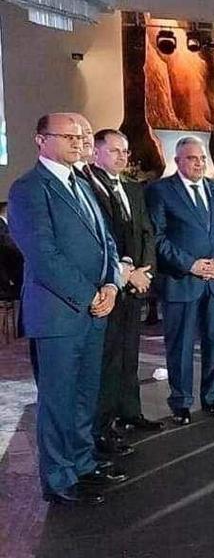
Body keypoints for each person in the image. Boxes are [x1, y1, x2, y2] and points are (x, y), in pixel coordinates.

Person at [8, 113, 126, 505]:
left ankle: (83, 464)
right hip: (58, 314)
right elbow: (43, 254)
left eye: (82, 136)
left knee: (84, 396)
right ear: (41, 140)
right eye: (69, 136)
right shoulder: (29, 189)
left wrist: (111, 284)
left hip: (94, 308)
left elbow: (107, 242)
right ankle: (59, 478)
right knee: (58, 400)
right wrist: (89, 294)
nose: (79, 142)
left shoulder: (82, 183)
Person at [146, 136, 214, 425]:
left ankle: (213, 397)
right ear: (177, 161)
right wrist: (191, 265)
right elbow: (157, 238)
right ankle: (181, 403)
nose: (199, 163)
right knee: (181, 345)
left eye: (202, 158)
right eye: (192, 158)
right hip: (182, 281)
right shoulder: (160, 191)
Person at [81, 129, 164, 457]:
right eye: (114, 150)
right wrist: (125, 274)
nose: (122, 157)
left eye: (125, 151)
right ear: (96, 153)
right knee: (108, 360)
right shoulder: (87, 186)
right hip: (107, 285)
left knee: (129, 355)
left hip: (135, 285)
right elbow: (101, 239)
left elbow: (146, 232)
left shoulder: (132, 188)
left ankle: (131, 411)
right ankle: (103, 427)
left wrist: (146, 272)